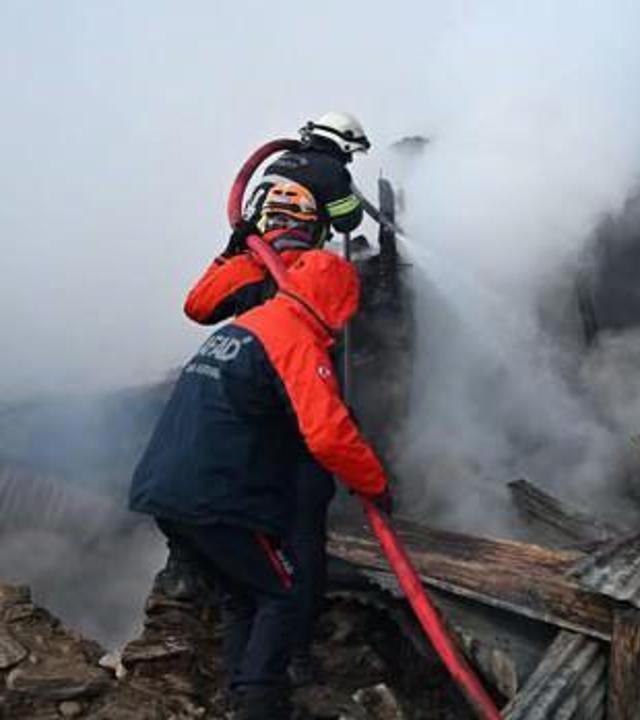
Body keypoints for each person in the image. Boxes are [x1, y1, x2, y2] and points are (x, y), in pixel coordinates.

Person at [131, 248, 389, 719]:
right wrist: (374, 483)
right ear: (335, 301)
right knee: (284, 592)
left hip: (166, 490)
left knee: (241, 595)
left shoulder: (245, 327)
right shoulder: (295, 340)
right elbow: (328, 435)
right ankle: (259, 703)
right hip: (216, 499)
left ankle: (236, 694)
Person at [181, 180, 357, 685]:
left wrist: (232, 254)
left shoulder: (258, 270)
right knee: (300, 543)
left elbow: (199, 307)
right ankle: (286, 658)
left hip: (263, 424)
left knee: (269, 549)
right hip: (291, 422)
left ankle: (260, 664)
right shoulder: (301, 268)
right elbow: (198, 307)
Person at [244, 111, 370, 242]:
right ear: (344, 144)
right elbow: (347, 222)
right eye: (350, 154)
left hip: (255, 245)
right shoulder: (330, 169)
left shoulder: (282, 160)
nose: (349, 159)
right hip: (294, 251)